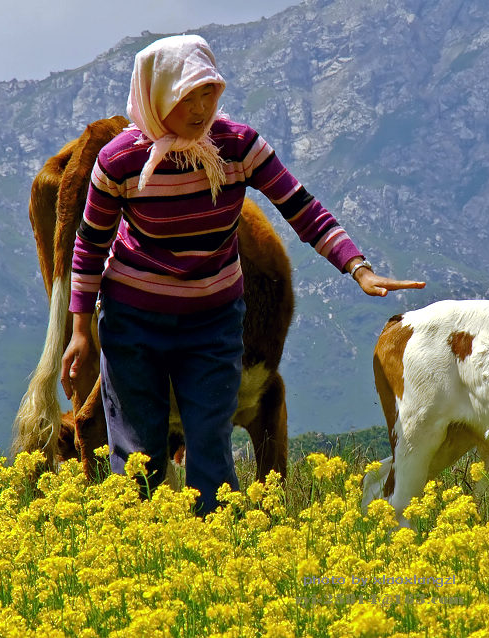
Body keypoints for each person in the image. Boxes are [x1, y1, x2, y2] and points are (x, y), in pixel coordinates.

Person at [59, 34, 425, 515]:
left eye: (209, 93)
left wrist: (358, 267)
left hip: (213, 324)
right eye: (186, 97)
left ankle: (217, 551)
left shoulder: (238, 147)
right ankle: (139, 552)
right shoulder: (119, 162)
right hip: (132, 325)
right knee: (137, 455)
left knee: (210, 447)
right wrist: (82, 330)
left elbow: (300, 207)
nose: (200, 108)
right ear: (154, 97)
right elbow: (90, 244)